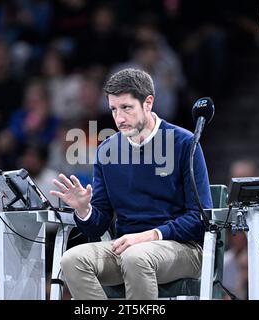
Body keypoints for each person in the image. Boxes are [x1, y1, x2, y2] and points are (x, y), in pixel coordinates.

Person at [51, 68, 212, 300]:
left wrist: (148, 236)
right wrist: (84, 210)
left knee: (135, 257)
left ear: (148, 103)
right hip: (126, 248)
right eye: (114, 109)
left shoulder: (184, 142)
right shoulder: (106, 150)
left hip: (182, 248)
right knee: (72, 261)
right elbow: (97, 226)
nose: (119, 118)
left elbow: (198, 218)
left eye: (126, 108)